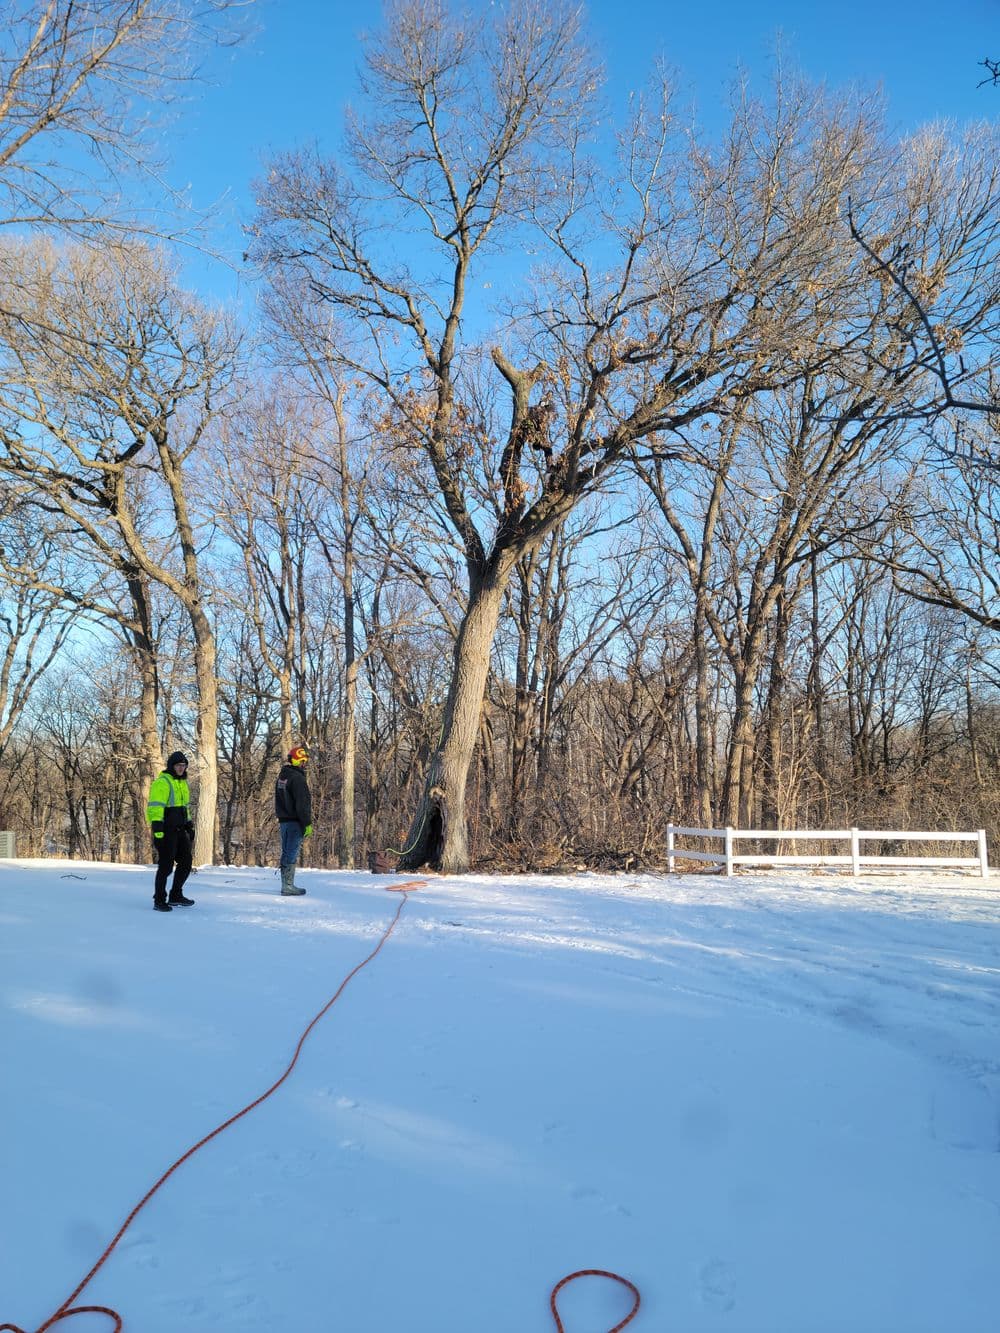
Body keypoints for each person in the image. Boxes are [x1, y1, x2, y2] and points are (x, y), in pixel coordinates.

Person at [146, 751, 195, 912]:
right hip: (167, 831)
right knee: (166, 867)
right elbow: (155, 808)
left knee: (186, 863)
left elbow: (184, 807)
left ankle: (175, 895)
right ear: (172, 766)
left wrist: (189, 825)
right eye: (178, 765)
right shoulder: (162, 782)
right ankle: (159, 899)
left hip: (180, 830)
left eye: (183, 765)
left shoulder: (182, 782)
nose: (181, 768)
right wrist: (158, 831)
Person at [275, 745, 312, 896]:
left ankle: (286, 884)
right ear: (299, 760)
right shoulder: (297, 779)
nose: (305, 764)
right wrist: (307, 823)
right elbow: (302, 804)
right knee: (291, 852)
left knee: (286, 852)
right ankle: (288, 886)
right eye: (303, 761)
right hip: (294, 821)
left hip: (284, 820)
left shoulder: (282, 776)